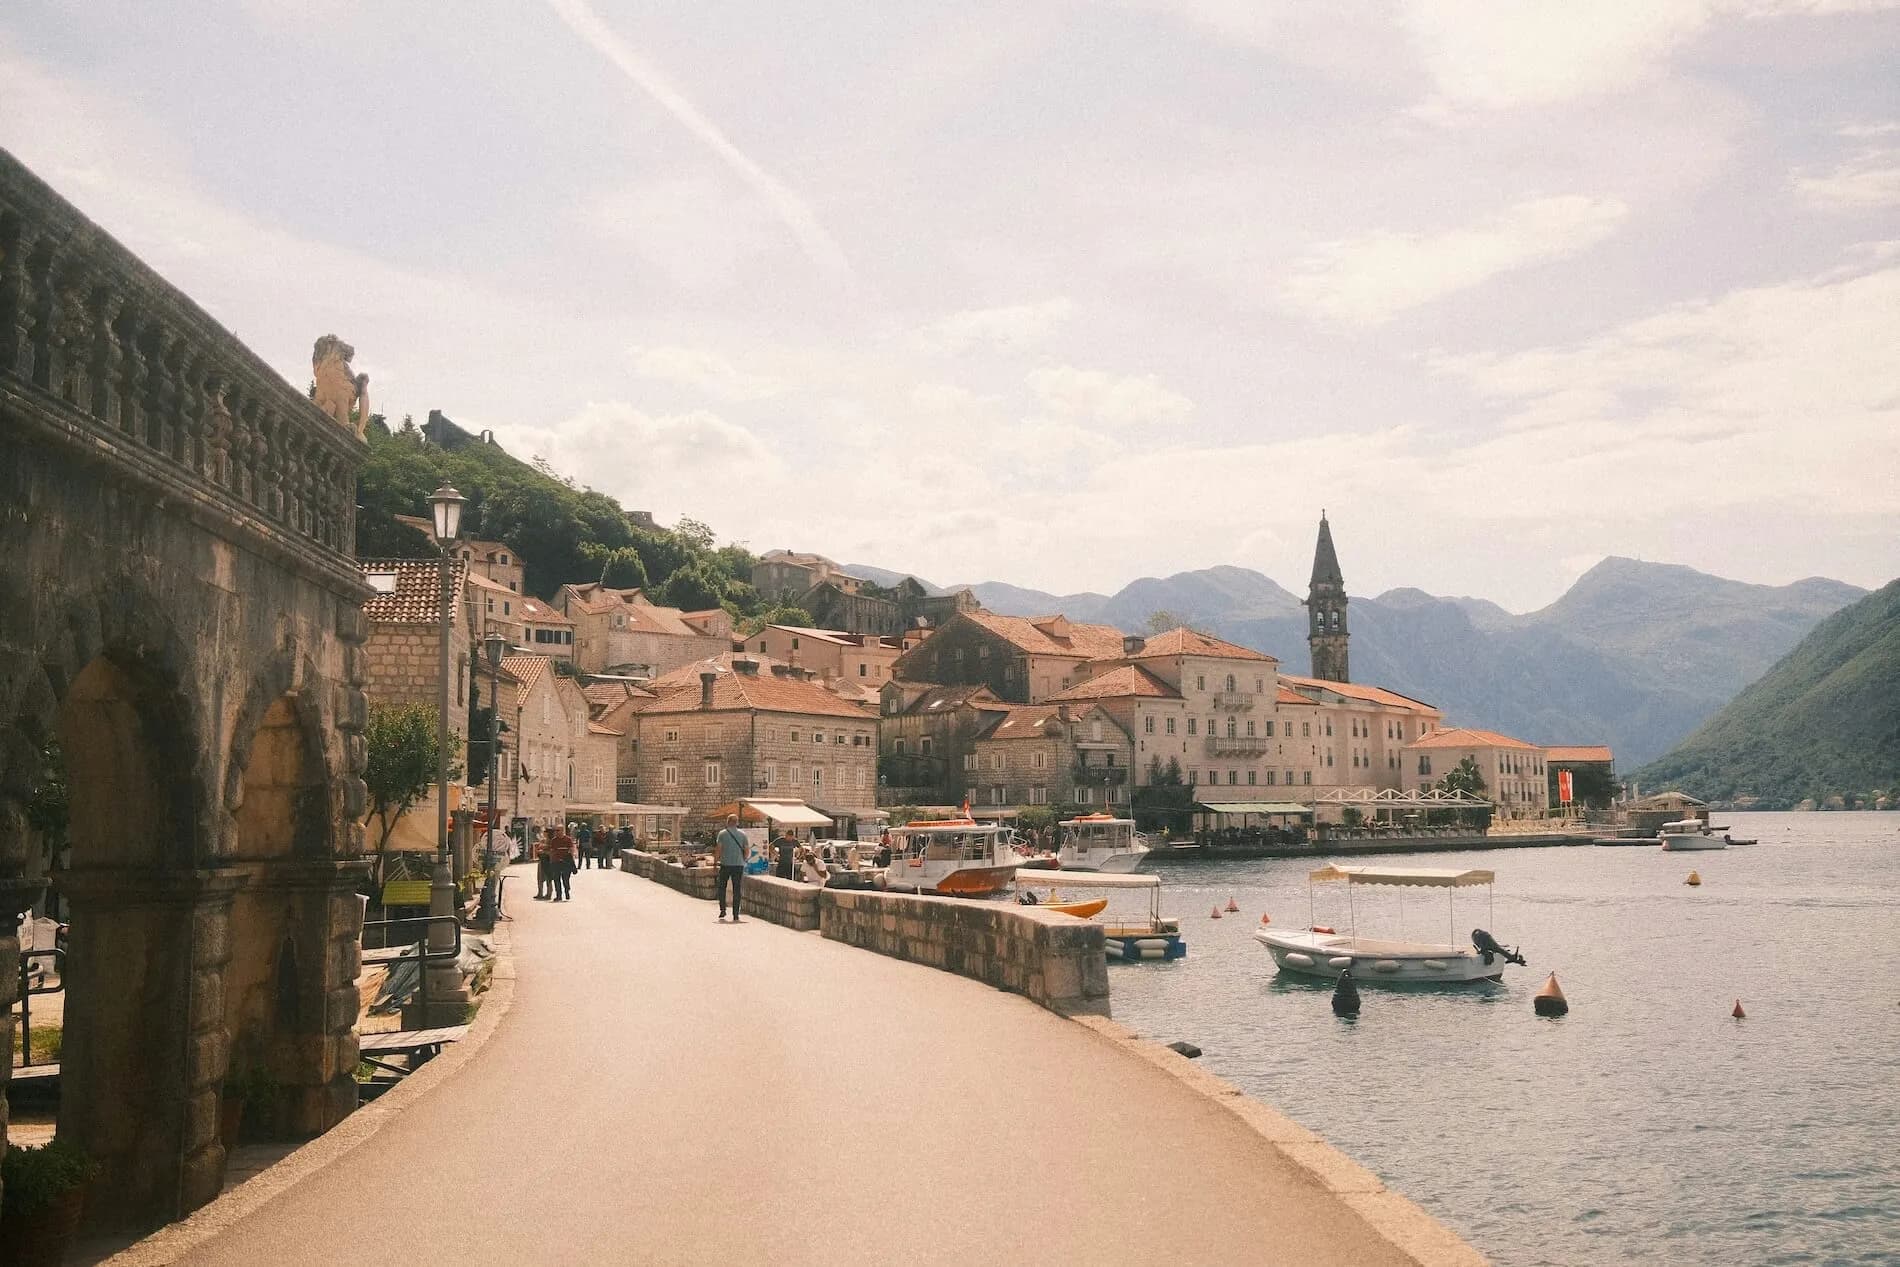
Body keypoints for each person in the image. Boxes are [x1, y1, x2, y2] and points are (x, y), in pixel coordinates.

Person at [714, 814, 748, 922]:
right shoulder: (743, 834)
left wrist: (715, 862)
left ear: (727, 822)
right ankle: (736, 914)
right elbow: (747, 851)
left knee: (722, 887)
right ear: (737, 822)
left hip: (725, 864)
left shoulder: (722, 834)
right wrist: (743, 859)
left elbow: (719, 849)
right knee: (737, 889)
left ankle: (723, 909)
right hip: (738, 865)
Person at [549, 827, 577, 901]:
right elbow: (552, 851)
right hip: (556, 862)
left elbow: (571, 849)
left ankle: (567, 891)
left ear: (562, 831)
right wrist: (551, 861)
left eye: (558, 830)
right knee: (556, 879)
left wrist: (571, 860)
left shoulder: (568, 839)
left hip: (566, 862)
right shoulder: (554, 840)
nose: (556, 832)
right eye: (556, 830)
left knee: (566, 879)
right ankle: (559, 895)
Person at [534, 826, 552, 900]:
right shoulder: (543, 840)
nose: (543, 833)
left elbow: (551, 851)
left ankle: (549, 893)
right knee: (540, 877)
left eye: (545, 832)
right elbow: (538, 848)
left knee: (548, 877)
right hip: (541, 860)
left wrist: (544, 851)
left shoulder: (551, 841)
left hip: (548, 861)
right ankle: (540, 892)